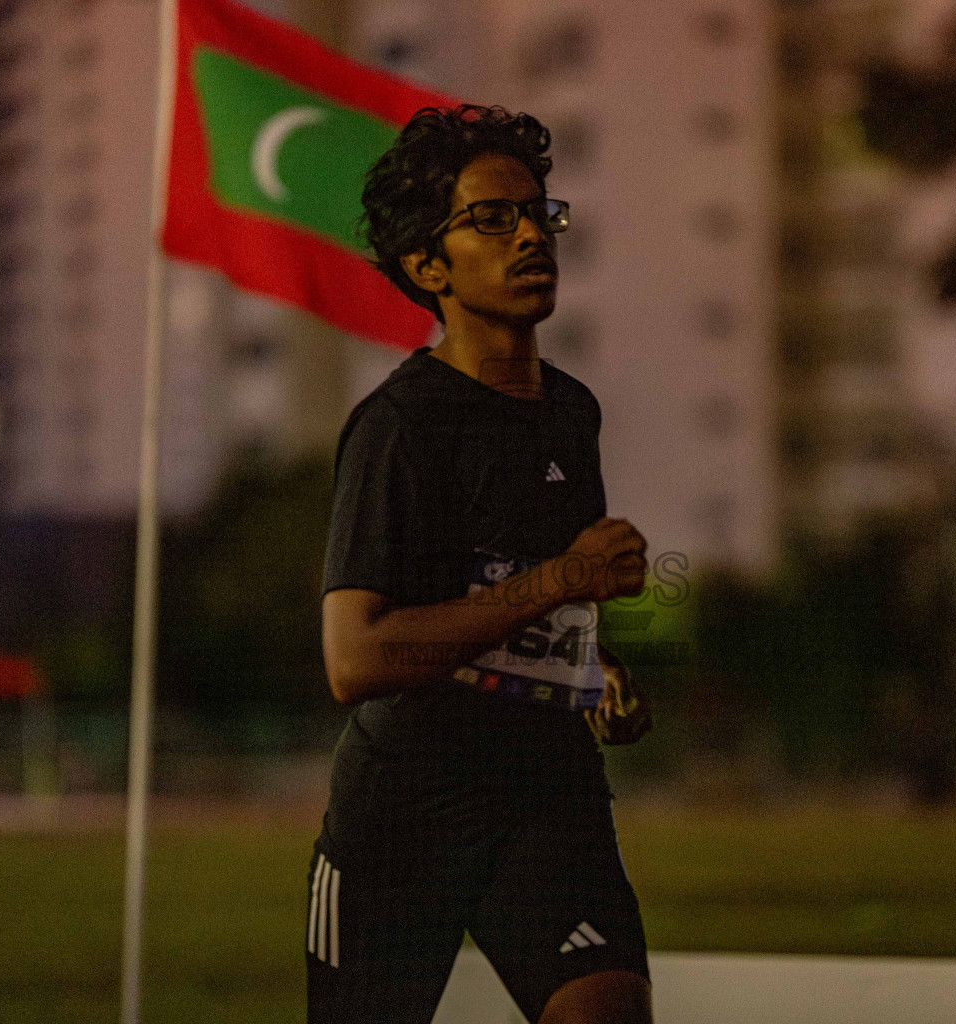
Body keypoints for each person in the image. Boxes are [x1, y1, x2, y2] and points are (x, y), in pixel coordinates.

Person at [308, 104, 655, 1024]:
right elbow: (357, 658)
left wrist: (597, 670)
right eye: (492, 219)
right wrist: (564, 581)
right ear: (428, 267)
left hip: (547, 799)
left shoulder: (570, 412)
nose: (530, 234)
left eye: (539, 212)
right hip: (405, 815)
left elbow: (535, 609)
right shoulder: (399, 428)